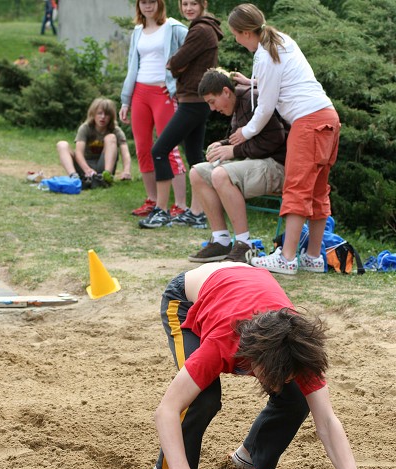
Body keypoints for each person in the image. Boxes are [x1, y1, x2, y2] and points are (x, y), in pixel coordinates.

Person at [143, 262, 393, 469]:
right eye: (273, 375)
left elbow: (327, 420)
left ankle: (247, 460)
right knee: (202, 399)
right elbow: (166, 410)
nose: (278, 383)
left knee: (296, 397)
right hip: (187, 299)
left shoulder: (297, 348)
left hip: (243, 287)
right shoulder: (222, 342)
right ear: (253, 360)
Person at [227, 4, 341, 275]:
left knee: (297, 188)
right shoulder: (281, 40)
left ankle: (287, 258)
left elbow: (265, 108)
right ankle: (313, 257)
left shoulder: (265, 55)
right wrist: (252, 82)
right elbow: (286, 80)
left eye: (235, 34)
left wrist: (245, 132)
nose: (234, 39)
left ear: (245, 32)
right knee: (317, 190)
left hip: (308, 123)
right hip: (328, 118)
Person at [185, 68, 287, 263]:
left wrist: (233, 151)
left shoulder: (251, 99)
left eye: (212, 102)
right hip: (255, 163)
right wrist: (222, 145)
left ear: (226, 91)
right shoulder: (236, 105)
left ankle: (244, 244)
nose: (212, 109)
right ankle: (221, 241)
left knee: (220, 175)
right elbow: (239, 139)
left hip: (278, 166)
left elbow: (276, 138)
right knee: (197, 172)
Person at [138, 0, 223, 229]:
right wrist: (178, 65)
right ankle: (197, 213)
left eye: (193, 3)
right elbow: (179, 62)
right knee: (195, 156)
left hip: (193, 101)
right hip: (193, 99)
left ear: (203, 4)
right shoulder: (203, 28)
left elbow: (174, 62)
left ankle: (161, 211)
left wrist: (177, 66)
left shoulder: (200, 30)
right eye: (184, 4)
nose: (188, 8)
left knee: (159, 150)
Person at [120, 0, 188, 218]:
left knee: (168, 148)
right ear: (139, 6)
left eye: (152, 2)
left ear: (160, 4)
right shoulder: (137, 31)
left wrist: (176, 83)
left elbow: (193, 54)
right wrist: (126, 100)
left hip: (163, 94)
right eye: (143, 2)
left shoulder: (173, 27)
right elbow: (132, 64)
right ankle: (152, 200)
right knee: (143, 148)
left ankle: (180, 204)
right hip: (140, 93)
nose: (148, 6)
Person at [56, 98, 132, 189]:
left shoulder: (116, 130)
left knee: (110, 137)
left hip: (102, 166)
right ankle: (74, 177)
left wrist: (126, 171)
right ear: (93, 114)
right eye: (99, 113)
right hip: (84, 166)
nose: (103, 117)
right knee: (62, 144)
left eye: (106, 114)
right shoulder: (85, 128)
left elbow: (125, 152)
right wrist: (87, 170)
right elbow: (78, 153)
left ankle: (106, 177)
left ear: (111, 117)